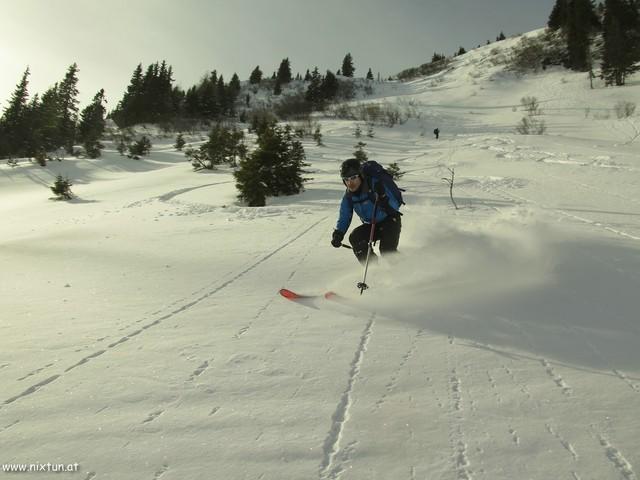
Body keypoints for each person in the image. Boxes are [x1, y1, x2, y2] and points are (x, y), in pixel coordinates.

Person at [331, 158, 402, 264]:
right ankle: (373, 270)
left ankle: (404, 269)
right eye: (346, 179)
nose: (350, 183)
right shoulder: (349, 196)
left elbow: (395, 206)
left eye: (353, 177)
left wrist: (383, 197)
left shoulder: (375, 185)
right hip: (373, 225)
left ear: (360, 175)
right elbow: (345, 216)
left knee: (387, 251)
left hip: (390, 221)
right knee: (356, 237)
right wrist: (339, 233)